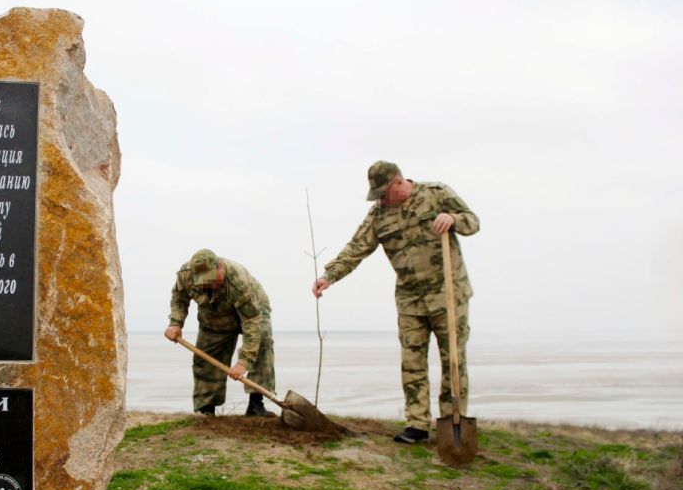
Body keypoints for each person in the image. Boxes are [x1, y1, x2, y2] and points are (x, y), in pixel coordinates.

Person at [312, 161, 479, 443]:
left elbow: (472, 221)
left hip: (447, 295)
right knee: (412, 363)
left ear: (399, 183)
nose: (380, 200)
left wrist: (453, 219)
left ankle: (454, 423)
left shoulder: (436, 193)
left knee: (453, 360)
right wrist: (330, 276)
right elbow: (356, 247)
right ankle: (417, 424)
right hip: (410, 299)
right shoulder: (379, 214)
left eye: (383, 193)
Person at [165, 249, 276, 416]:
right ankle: (206, 410)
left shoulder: (238, 281)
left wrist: (243, 362)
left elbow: (251, 322)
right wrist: (176, 323)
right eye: (204, 281)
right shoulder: (186, 275)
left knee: (262, 346)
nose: (209, 284)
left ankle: (256, 403)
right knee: (206, 357)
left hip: (252, 311)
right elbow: (179, 298)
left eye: (212, 278)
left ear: (220, 267)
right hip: (213, 315)